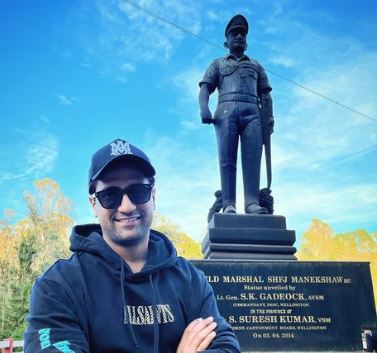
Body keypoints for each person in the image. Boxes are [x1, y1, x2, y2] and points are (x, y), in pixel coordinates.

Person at [24, 138, 241, 353]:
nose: (127, 206)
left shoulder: (191, 280)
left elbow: (226, 347)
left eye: (138, 191)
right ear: (93, 204)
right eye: (110, 195)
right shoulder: (58, 286)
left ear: (153, 196)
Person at [199, 14, 274, 215]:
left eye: (242, 34)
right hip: (225, 112)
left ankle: (251, 203)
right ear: (226, 42)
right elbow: (205, 87)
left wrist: (269, 117)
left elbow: (265, 95)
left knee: (252, 158)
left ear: (247, 42)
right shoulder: (217, 64)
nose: (239, 37)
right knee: (227, 159)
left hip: (253, 112)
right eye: (235, 34)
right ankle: (228, 203)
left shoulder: (256, 66)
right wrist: (204, 108)